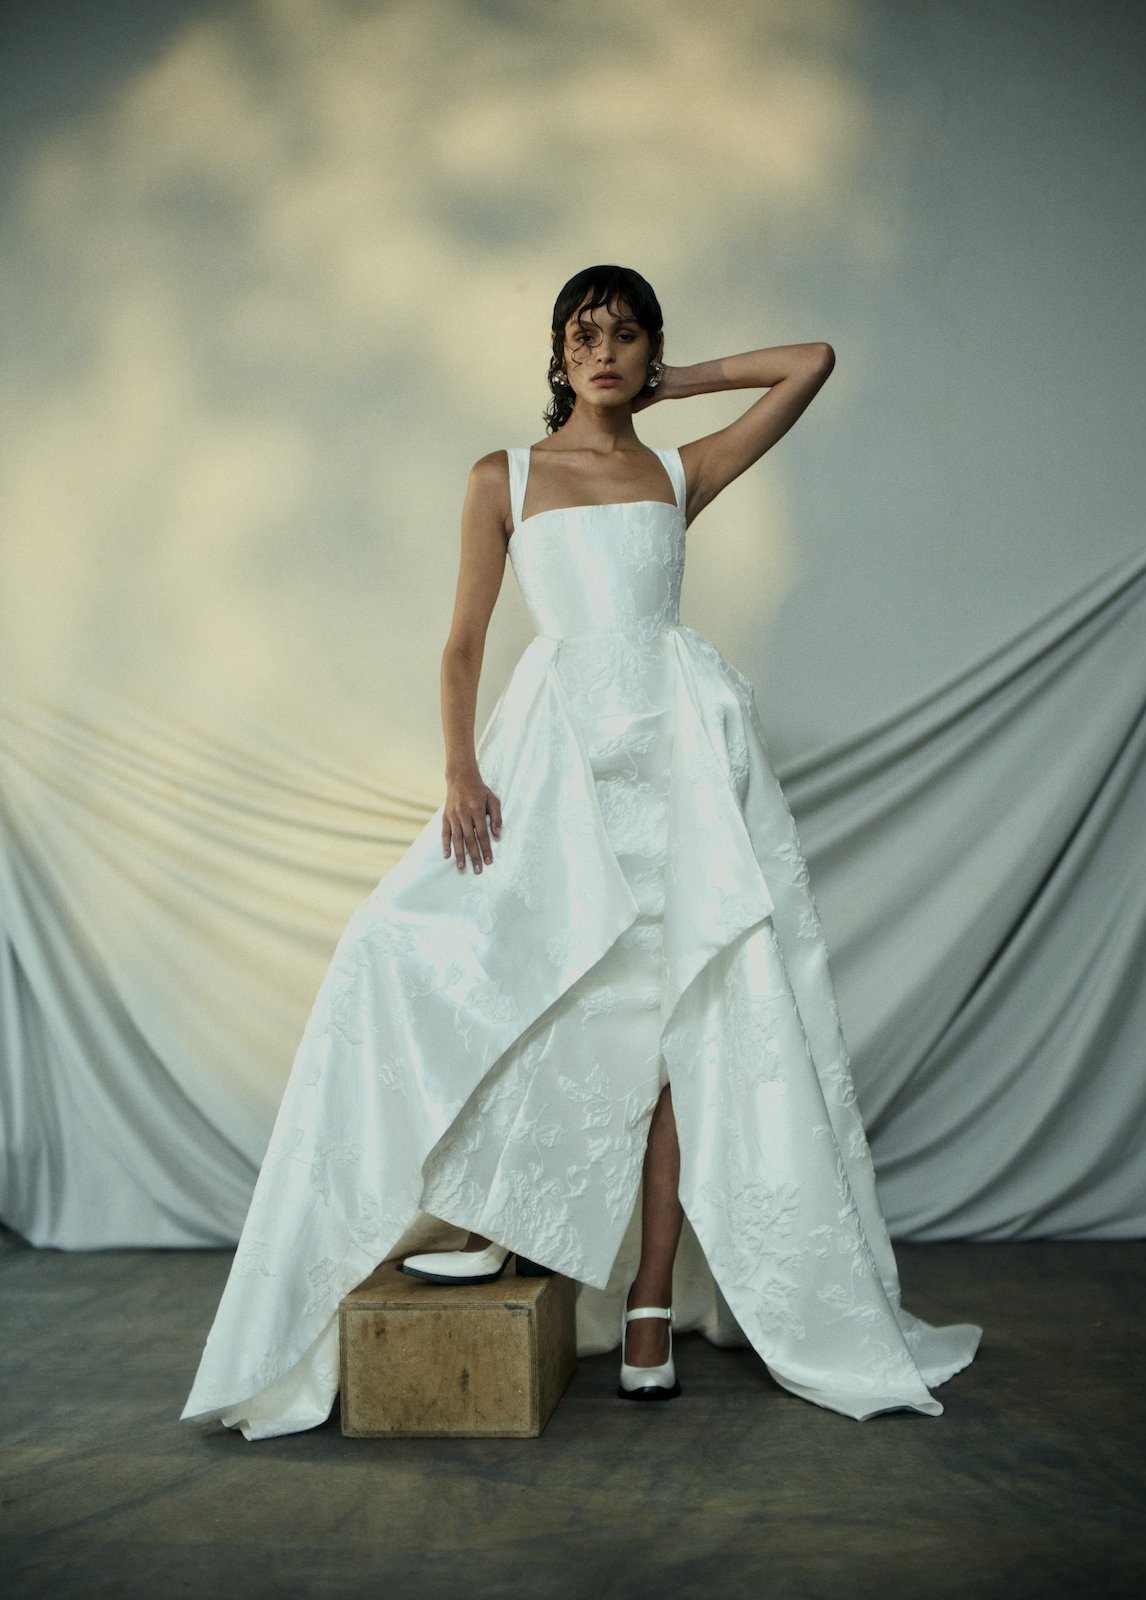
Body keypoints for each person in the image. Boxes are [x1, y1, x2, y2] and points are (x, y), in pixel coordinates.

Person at [180, 265, 981, 1437]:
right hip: (555, 765)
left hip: (678, 768)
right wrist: (459, 766)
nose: (602, 350)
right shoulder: (502, 474)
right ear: (558, 353)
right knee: (474, 965)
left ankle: (649, 1301)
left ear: (648, 348)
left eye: (625, 334)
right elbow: (461, 644)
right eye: (583, 334)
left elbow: (808, 363)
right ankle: (495, 1225)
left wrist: (674, 386)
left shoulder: (674, 467)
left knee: (673, 1025)